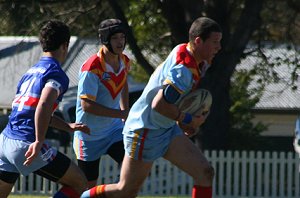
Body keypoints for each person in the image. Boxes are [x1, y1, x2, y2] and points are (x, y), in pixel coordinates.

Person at [81, 16, 222, 198]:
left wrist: (180, 122)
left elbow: (169, 102)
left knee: (205, 173)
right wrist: (188, 119)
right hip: (145, 130)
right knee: (125, 191)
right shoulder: (184, 70)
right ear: (198, 41)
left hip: (165, 127)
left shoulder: (187, 52)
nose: (219, 47)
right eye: (215, 42)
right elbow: (159, 104)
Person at [0, 20, 90, 198]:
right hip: (25, 143)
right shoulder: (56, 73)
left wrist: (67, 126)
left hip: (4, 142)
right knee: (79, 182)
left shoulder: (30, 73)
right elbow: (44, 104)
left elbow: (32, 111)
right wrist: (39, 141)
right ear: (65, 45)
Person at [73, 18, 130, 188]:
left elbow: (124, 83)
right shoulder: (92, 67)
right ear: (105, 39)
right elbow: (87, 105)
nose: (120, 42)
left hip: (113, 130)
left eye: (122, 37)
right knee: (87, 187)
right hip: (88, 135)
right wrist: (121, 114)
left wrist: (124, 112)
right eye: (115, 38)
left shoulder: (125, 61)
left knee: (134, 166)